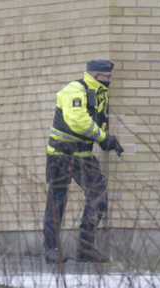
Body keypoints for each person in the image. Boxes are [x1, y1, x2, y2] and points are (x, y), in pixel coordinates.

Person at [43, 60, 124, 264]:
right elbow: (77, 121)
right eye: (108, 77)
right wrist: (102, 137)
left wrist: (108, 140)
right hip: (62, 155)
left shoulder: (99, 95)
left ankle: (85, 249)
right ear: (96, 76)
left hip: (84, 156)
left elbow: (97, 123)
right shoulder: (75, 89)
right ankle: (52, 250)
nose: (111, 80)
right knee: (57, 201)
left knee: (99, 198)